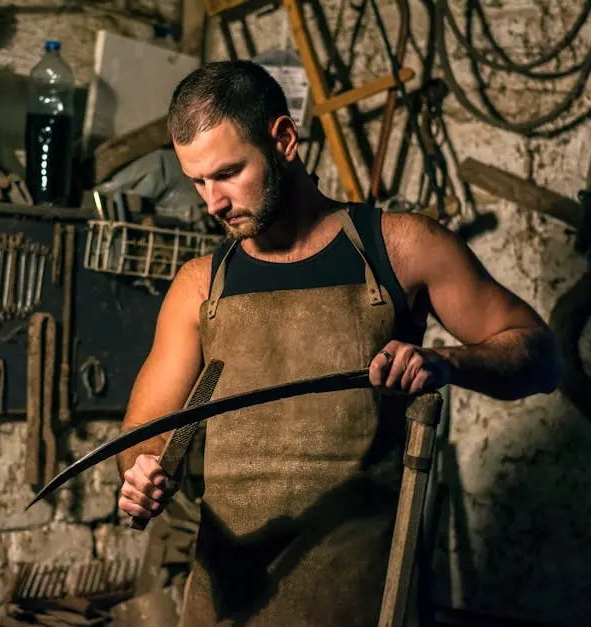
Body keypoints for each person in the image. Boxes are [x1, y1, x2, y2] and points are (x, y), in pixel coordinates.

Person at [115, 60, 561, 626]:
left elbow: (541, 357)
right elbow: (141, 436)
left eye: (227, 173)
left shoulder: (401, 247)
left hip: (364, 598)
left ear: (283, 139)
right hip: (226, 605)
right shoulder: (198, 286)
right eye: (197, 181)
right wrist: (141, 473)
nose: (213, 203)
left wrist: (445, 362)